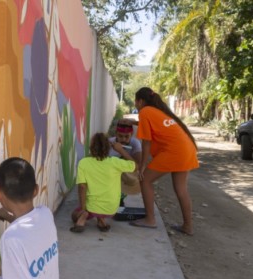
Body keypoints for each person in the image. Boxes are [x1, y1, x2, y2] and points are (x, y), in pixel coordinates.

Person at [130, 87, 199, 235]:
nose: (135, 105)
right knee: (181, 189)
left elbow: (146, 142)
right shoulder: (159, 111)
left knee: (145, 180)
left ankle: (150, 219)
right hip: (186, 149)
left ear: (140, 101)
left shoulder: (145, 112)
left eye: (135, 102)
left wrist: (142, 166)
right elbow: (155, 127)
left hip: (173, 152)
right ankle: (188, 226)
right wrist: (131, 122)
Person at [70, 132, 136, 233]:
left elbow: (82, 187)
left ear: (91, 147)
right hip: (111, 209)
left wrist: (83, 209)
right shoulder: (115, 162)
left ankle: (83, 216)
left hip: (92, 207)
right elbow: (135, 165)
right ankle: (101, 221)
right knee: (99, 206)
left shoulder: (84, 163)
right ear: (108, 148)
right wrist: (121, 150)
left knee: (74, 215)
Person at [109, 119, 142, 206]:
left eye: (127, 136)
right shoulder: (109, 142)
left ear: (132, 134)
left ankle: (120, 198)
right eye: (120, 136)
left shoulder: (135, 143)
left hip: (127, 176)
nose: (123, 139)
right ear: (116, 133)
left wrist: (121, 151)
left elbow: (138, 166)